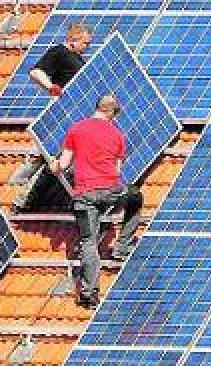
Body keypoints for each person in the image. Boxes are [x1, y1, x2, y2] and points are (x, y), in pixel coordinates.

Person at [53, 94, 143, 308]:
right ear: (111, 112)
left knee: (89, 242)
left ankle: (89, 294)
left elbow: (63, 164)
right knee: (135, 196)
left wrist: (54, 167)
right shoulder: (118, 135)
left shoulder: (76, 129)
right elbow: (117, 172)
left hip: (85, 195)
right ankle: (122, 247)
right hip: (111, 191)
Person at [11, 22, 93, 214]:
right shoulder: (58, 52)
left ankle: (39, 196)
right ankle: (25, 198)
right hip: (63, 114)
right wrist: (51, 87)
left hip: (75, 115)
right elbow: (36, 72)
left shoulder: (79, 59)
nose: (87, 47)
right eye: (85, 43)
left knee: (60, 158)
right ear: (73, 40)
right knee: (52, 157)